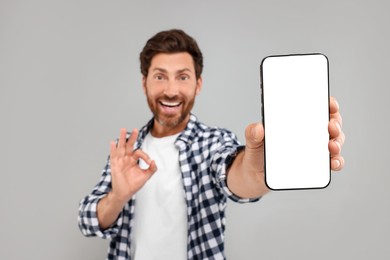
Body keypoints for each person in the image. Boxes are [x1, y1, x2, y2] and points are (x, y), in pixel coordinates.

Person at [78, 29, 345, 260]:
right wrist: (117, 197)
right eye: (160, 76)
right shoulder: (126, 150)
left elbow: (236, 176)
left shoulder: (213, 142)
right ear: (144, 82)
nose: (171, 90)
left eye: (183, 77)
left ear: (198, 84)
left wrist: (257, 169)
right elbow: (87, 221)